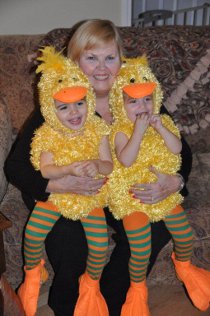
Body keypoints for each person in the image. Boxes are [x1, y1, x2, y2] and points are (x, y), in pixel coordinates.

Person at [4, 19, 192, 316]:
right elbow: (15, 166)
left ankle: (110, 299)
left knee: (155, 229)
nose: (102, 67)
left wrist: (175, 182)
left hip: (121, 193)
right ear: (75, 61)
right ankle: (69, 306)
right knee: (69, 238)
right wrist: (57, 185)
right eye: (91, 58)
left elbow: (183, 149)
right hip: (71, 191)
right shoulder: (63, 102)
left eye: (110, 57)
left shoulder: (137, 93)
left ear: (121, 58)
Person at [108, 56, 210, 315]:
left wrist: (160, 128)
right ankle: (138, 289)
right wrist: (139, 131)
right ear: (120, 104)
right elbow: (126, 160)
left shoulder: (162, 121)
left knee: (185, 236)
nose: (142, 106)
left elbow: (177, 149)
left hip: (164, 196)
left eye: (147, 99)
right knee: (141, 249)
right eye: (133, 101)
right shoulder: (120, 130)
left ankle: (184, 266)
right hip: (133, 199)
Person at [18, 46, 112, 316]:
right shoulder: (47, 133)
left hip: (90, 197)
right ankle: (34, 273)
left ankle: (91, 284)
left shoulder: (97, 129)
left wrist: (96, 164)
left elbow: (108, 165)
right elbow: (45, 171)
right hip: (57, 197)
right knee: (33, 234)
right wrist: (67, 169)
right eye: (64, 107)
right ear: (50, 108)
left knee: (99, 245)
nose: (74, 113)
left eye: (80, 103)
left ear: (89, 101)